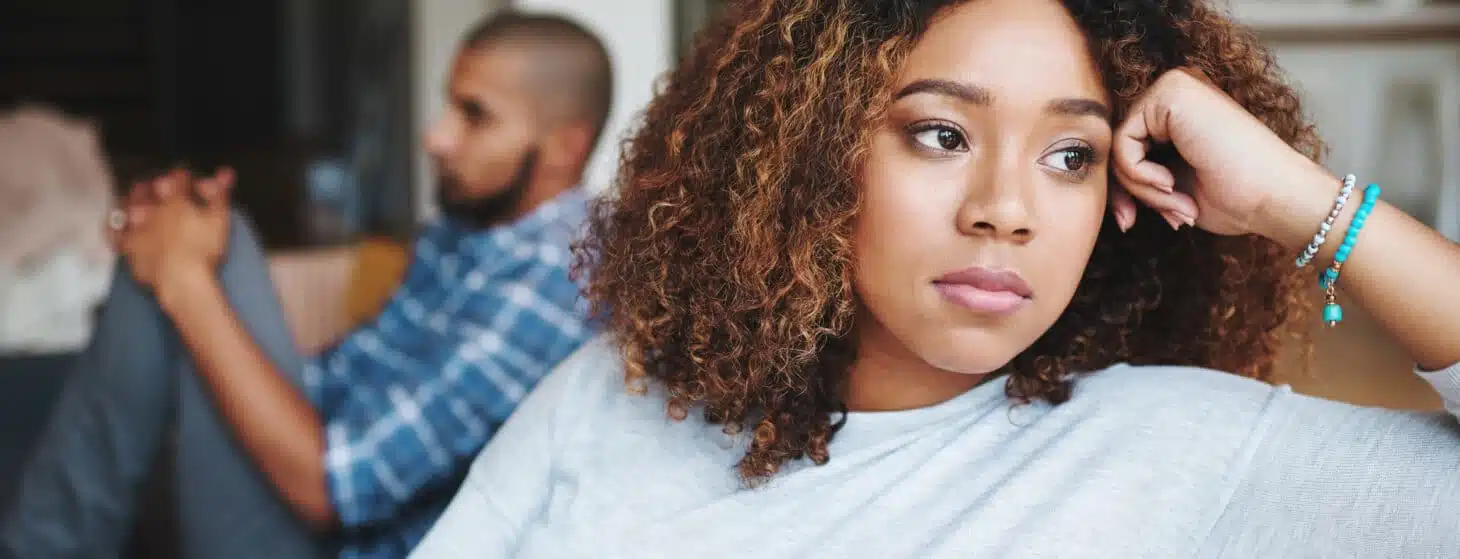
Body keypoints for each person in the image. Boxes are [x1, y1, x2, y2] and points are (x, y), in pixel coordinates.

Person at [410, 0, 1460, 557]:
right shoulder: (612, 390)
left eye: (1069, 157)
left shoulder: (1180, 451)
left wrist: (1301, 203)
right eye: (940, 133)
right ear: (814, 156)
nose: (1004, 206)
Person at [1, 11, 612, 559]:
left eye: (474, 116)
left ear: (564, 145)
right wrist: (179, 264)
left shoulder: (552, 282)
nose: (436, 136)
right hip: (318, 486)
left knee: (204, 251)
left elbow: (336, 490)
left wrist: (186, 281)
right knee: (192, 224)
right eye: (449, 106)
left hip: (335, 538)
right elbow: (340, 381)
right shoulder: (472, 229)